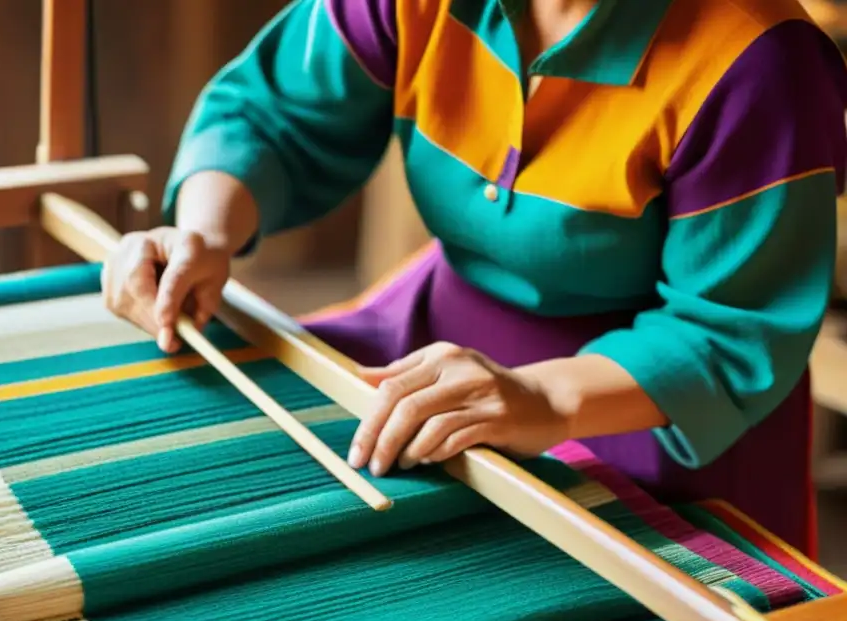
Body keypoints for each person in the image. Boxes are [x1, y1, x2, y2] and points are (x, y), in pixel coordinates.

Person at [101, 0, 847, 557]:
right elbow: (274, 113)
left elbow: (727, 331)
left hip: (651, 413)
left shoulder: (757, 62)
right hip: (430, 341)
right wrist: (200, 233)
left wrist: (539, 399)